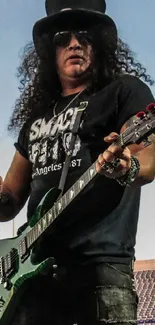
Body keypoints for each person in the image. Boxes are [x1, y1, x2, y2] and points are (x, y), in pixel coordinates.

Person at [0, 0, 155, 324]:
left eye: (84, 36)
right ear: (49, 51)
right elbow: (9, 200)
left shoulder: (122, 91)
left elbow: (147, 154)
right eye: (62, 38)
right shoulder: (36, 118)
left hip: (100, 273)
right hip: (32, 280)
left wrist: (129, 166)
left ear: (98, 45)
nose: (74, 43)